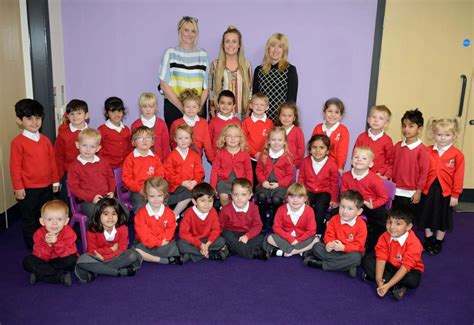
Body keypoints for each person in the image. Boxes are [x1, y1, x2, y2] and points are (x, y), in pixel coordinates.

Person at [10, 99, 59, 248]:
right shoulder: (17, 142)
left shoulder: (45, 140)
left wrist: (55, 181)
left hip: (46, 187)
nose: (34, 122)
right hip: (28, 189)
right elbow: (15, 167)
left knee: (45, 217)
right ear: (19, 120)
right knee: (30, 219)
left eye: (37, 118)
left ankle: (46, 242)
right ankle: (33, 246)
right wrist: (18, 187)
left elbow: (52, 162)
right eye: (29, 118)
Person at [418, 118, 465, 255]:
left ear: (454, 136)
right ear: (433, 134)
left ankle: (438, 242)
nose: (443, 138)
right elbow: (421, 170)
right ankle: (428, 240)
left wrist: (455, 194)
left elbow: (458, 176)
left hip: (445, 192)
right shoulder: (427, 151)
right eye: (439, 134)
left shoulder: (457, 155)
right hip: (428, 190)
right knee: (427, 215)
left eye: (447, 135)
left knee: (442, 218)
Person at [361, 207, 424, 300]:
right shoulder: (384, 236)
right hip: (389, 265)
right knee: (366, 260)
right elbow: (381, 258)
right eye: (389, 222)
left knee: (413, 280)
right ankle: (392, 284)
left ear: (408, 227)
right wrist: (378, 280)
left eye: (398, 224)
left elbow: (406, 266)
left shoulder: (414, 243)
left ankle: (388, 282)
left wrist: (387, 285)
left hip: (407, 269)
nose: (392, 227)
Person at [75, 198, 142, 283]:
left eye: (114, 214)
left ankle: (98, 272)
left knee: (132, 255)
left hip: (114, 257)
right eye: (106, 214)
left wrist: (104, 257)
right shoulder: (92, 230)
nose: (110, 217)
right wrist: (111, 250)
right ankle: (118, 272)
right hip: (98, 258)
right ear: (98, 215)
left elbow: (122, 249)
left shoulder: (123, 228)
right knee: (81, 260)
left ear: (118, 215)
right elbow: (92, 251)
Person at [159, 16, 209, 128]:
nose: (189, 34)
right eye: (186, 30)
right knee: (177, 144)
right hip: (174, 107)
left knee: (197, 143)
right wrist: (182, 108)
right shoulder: (170, 53)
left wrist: (197, 108)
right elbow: (164, 85)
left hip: (197, 109)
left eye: (193, 31)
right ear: (179, 31)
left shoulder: (203, 55)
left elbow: (206, 87)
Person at [304, 190, 367, 278]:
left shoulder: (361, 225)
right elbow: (329, 235)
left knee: (356, 258)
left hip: (350, 252)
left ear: (359, 211)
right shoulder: (334, 219)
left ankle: (322, 265)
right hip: (334, 250)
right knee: (317, 247)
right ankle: (346, 266)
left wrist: (344, 247)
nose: (344, 211)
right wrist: (329, 243)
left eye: (350, 208)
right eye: (342, 207)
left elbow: (359, 246)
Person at [341, 147, 388, 251]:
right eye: (356, 157)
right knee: (336, 213)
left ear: (370, 164)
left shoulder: (374, 179)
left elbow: (384, 197)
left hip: (369, 204)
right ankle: (340, 240)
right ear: (352, 160)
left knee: (381, 219)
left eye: (363, 158)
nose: (359, 160)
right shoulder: (346, 176)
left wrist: (374, 205)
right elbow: (344, 194)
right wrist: (349, 205)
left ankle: (372, 246)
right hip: (352, 204)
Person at [23, 200, 77, 286]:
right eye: (49, 219)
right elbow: (39, 255)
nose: (54, 223)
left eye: (59, 219)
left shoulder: (70, 233)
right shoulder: (38, 234)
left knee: (73, 260)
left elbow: (68, 253)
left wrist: (56, 243)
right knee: (27, 261)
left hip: (60, 260)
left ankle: (41, 274)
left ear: (66, 221)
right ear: (42, 221)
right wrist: (47, 245)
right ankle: (59, 277)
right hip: (44, 260)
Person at [67, 128, 116, 219]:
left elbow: (110, 178)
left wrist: (111, 191)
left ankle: (112, 233)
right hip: (87, 201)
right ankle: (97, 233)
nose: (88, 149)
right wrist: (91, 198)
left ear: (98, 148)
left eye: (92, 147)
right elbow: (74, 188)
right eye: (84, 145)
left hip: (106, 198)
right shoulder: (74, 166)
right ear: (78, 145)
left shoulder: (104, 162)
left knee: (122, 211)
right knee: (99, 216)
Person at [133, 178, 183, 265]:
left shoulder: (170, 213)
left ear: (165, 196)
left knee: (175, 246)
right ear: (146, 196)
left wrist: (163, 241)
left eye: (159, 196)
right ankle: (163, 260)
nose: (156, 199)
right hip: (146, 244)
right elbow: (144, 236)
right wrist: (158, 242)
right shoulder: (140, 214)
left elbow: (170, 230)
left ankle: (153, 257)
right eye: (152, 196)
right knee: (137, 250)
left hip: (164, 243)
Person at [391, 109, 429, 220]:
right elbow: (392, 164)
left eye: (411, 126)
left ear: (420, 129)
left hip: (411, 193)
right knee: (394, 217)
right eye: (404, 126)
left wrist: (418, 191)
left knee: (406, 220)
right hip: (396, 190)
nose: (406, 129)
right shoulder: (398, 146)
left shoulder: (422, 150)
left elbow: (424, 173)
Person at [263, 183, 319, 257]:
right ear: (287, 198)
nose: (295, 200)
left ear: (305, 199)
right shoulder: (281, 209)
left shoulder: (309, 210)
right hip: (286, 238)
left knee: (316, 240)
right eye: (292, 197)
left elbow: (311, 231)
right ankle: (299, 251)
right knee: (269, 238)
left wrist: (298, 240)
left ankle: (288, 251)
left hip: (302, 238)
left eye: (299, 197)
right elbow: (276, 227)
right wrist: (291, 239)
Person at [298, 134, 339, 236]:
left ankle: (317, 231)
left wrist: (333, 199)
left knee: (320, 207)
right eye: (314, 147)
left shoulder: (332, 164)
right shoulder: (305, 161)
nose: (317, 150)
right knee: (304, 205)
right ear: (310, 149)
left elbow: (334, 183)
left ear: (327, 150)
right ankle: (302, 228)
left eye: (321, 148)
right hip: (308, 190)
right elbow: (301, 178)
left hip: (324, 191)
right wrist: (301, 193)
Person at [208, 26, 252, 120]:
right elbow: (211, 92)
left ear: (239, 45)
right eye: (227, 41)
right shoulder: (215, 65)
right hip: (221, 116)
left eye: (234, 41)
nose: (230, 45)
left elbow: (250, 91)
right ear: (223, 45)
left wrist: (248, 112)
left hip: (242, 116)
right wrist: (213, 114)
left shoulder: (246, 65)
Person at [178, 183, 229, 263]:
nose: (207, 204)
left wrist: (208, 243)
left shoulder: (213, 211)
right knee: (181, 244)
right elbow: (183, 233)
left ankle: (193, 255)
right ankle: (208, 254)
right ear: (194, 202)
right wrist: (200, 245)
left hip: (207, 240)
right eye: (202, 200)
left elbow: (216, 230)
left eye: (210, 201)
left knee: (221, 241)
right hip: (194, 241)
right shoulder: (189, 213)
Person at [252, 33, 298, 122]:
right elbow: (255, 97)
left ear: (284, 50)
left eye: (280, 46)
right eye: (273, 45)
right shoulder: (259, 70)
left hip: (281, 121)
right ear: (268, 48)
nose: (276, 50)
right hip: (261, 120)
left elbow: (291, 101)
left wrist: (284, 121)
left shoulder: (290, 70)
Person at [255, 127, 294, 228]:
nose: (276, 143)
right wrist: (263, 181)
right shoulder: (264, 155)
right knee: (261, 197)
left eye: (279, 140)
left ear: (284, 142)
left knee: (277, 200)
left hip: (280, 185)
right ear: (268, 141)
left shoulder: (287, 157)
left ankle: (274, 219)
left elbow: (289, 175)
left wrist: (279, 184)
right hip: (265, 184)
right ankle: (262, 221)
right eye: (273, 140)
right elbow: (258, 170)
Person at [218, 178, 266, 259]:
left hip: (246, 233)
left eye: (243, 194)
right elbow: (219, 226)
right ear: (231, 195)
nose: (239, 198)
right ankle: (252, 253)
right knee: (225, 234)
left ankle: (232, 249)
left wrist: (247, 236)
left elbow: (257, 226)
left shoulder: (254, 208)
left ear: (250, 195)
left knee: (261, 238)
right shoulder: (225, 209)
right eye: (236, 194)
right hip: (231, 234)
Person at [164, 124, 205, 219]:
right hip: (176, 186)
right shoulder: (171, 156)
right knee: (189, 194)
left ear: (191, 139)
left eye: (186, 138)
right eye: (180, 138)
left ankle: (187, 213)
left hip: (192, 184)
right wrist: (182, 182)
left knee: (203, 193)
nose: (183, 141)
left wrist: (195, 181)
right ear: (175, 139)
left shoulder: (195, 155)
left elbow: (200, 172)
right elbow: (168, 174)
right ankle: (174, 215)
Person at [122, 126, 165, 214]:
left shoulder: (155, 158)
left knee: (163, 201)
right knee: (140, 204)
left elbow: (160, 175)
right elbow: (127, 179)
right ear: (134, 142)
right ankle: (141, 225)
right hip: (136, 190)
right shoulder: (130, 159)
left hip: (153, 188)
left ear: (152, 142)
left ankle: (160, 223)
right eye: (140, 138)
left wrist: (153, 188)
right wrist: (139, 189)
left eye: (148, 137)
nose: (144, 140)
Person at [210, 123, 252, 207]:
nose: (233, 139)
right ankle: (226, 212)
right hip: (224, 181)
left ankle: (237, 213)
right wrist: (212, 187)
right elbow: (214, 171)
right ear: (224, 138)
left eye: (236, 136)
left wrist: (249, 186)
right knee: (224, 196)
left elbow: (249, 170)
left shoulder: (244, 153)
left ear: (240, 139)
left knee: (239, 198)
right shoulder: (220, 153)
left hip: (240, 182)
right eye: (229, 136)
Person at [54, 99, 89, 198]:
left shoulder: (92, 133)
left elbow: (98, 155)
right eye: (72, 114)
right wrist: (59, 177)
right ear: (67, 116)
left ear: (86, 115)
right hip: (68, 174)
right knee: (68, 200)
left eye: (79, 113)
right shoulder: (63, 134)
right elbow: (58, 156)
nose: (75, 116)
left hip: (88, 173)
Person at [169, 88, 214, 162]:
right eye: (188, 107)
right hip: (180, 161)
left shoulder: (203, 123)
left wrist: (212, 159)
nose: (191, 109)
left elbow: (207, 144)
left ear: (199, 108)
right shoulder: (176, 123)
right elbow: (172, 142)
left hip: (197, 161)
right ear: (183, 107)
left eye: (194, 107)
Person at [353, 105, 394, 178]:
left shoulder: (387, 141)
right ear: (368, 119)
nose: (376, 120)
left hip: (378, 177)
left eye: (381, 118)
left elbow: (390, 162)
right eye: (374, 117)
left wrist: (383, 174)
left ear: (386, 123)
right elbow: (355, 156)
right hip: (360, 176)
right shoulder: (361, 137)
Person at [242, 92, 274, 185]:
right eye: (256, 104)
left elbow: (271, 140)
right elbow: (243, 140)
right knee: (250, 181)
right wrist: (254, 153)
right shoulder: (246, 122)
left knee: (262, 181)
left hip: (264, 158)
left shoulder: (270, 123)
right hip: (250, 158)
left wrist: (264, 153)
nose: (259, 107)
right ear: (251, 105)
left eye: (262, 105)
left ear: (267, 107)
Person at [312, 98, 350, 174]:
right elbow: (313, 147)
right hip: (317, 164)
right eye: (330, 111)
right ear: (324, 113)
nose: (333, 115)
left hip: (334, 167)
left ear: (341, 116)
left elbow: (342, 151)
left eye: (336, 112)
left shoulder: (343, 130)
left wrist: (339, 167)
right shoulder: (318, 128)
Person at [131, 92, 170, 162]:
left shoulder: (162, 124)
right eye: (145, 106)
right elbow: (133, 147)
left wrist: (165, 164)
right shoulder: (135, 125)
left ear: (155, 107)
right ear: (140, 108)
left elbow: (166, 147)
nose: (148, 110)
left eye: (151, 106)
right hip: (141, 163)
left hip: (159, 163)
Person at [98, 96, 132, 169]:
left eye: (119, 111)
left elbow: (129, 148)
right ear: (107, 113)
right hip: (108, 167)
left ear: (123, 112)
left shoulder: (126, 129)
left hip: (125, 166)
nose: (117, 114)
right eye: (113, 111)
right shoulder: (102, 130)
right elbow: (98, 150)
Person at [275, 102, 305, 168]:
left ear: (294, 118)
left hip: (292, 164)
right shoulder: (276, 131)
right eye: (283, 115)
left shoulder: (298, 131)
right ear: (279, 117)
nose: (286, 118)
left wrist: (294, 161)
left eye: (289, 116)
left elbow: (301, 149)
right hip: (277, 163)